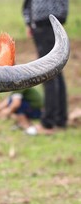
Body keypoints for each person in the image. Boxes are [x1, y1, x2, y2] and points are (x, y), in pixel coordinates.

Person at [22, 0, 69, 135]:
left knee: (49, 72)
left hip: (44, 22)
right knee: (57, 70)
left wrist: (30, 20)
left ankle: (48, 122)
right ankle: (60, 119)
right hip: (53, 21)